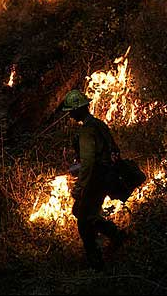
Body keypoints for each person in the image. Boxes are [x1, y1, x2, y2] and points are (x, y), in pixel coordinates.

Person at [62, 89, 127, 271]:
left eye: (71, 111)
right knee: (81, 212)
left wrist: (79, 187)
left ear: (79, 109)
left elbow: (89, 163)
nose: (70, 114)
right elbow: (113, 149)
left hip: (96, 179)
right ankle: (116, 235)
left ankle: (96, 263)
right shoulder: (99, 124)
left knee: (83, 222)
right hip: (107, 176)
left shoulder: (86, 131)